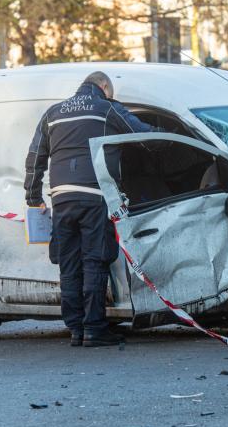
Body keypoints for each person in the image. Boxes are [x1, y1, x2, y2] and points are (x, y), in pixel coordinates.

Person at [24, 71, 154, 347]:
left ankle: (75, 329)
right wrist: (169, 137)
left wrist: (33, 197)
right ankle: (94, 328)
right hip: (95, 196)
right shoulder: (106, 109)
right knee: (94, 261)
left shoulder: (53, 113)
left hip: (61, 199)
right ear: (104, 86)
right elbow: (139, 133)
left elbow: (35, 157)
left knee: (69, 264)